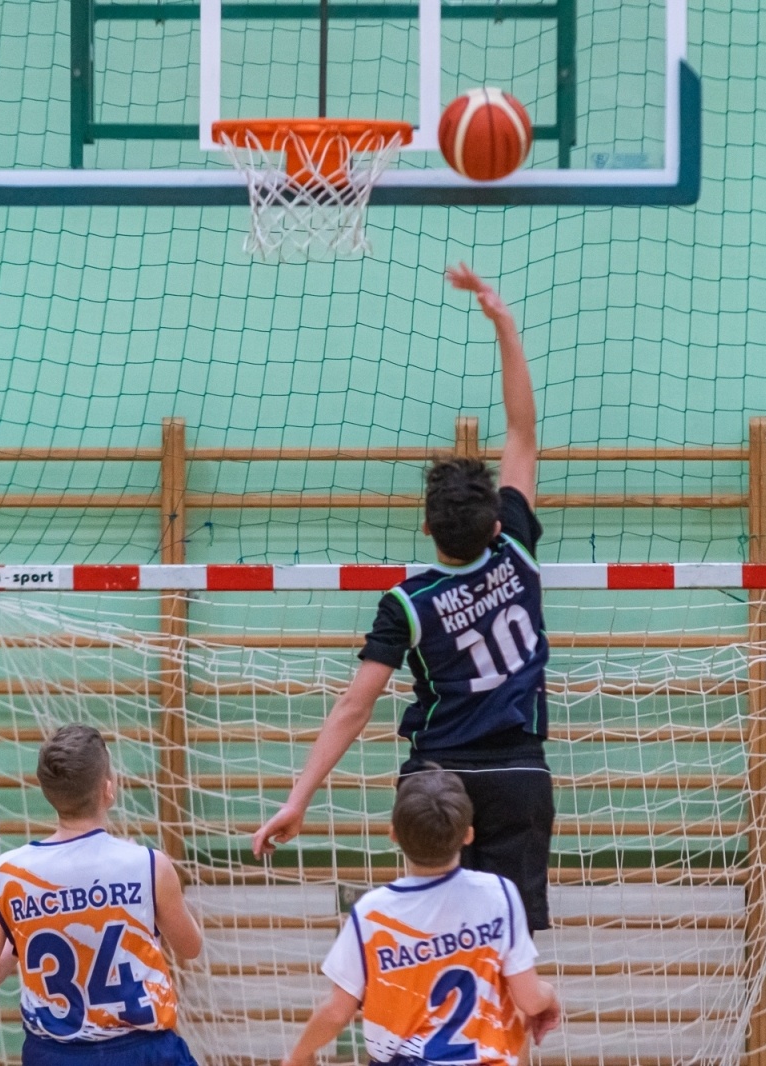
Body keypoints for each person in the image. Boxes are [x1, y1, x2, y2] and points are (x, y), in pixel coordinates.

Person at [252, 263, 556, 932]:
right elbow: (522, 435)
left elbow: (353, 707)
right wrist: (504, 324)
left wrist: (298, 798)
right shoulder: (517, 549)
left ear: (426, 528)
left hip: (435, 786)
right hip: (519, 776)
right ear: (496, 524)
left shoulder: (407, 603)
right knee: (510, 951)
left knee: (431, 940)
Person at [0, 723, 205, 1066]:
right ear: (108, 789)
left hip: (54, 1056)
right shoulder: (148, 865)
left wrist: (21, 938)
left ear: (49, 792)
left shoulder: (8, 874)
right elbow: (190, 947)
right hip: (143, 1052)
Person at [281, 769, 560, 1066]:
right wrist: (549, 996)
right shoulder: (499, 893)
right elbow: (529, 998)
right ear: (468, 834)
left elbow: (337, 1011)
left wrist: (299, 1055)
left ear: (393, 834)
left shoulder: (372, 912)